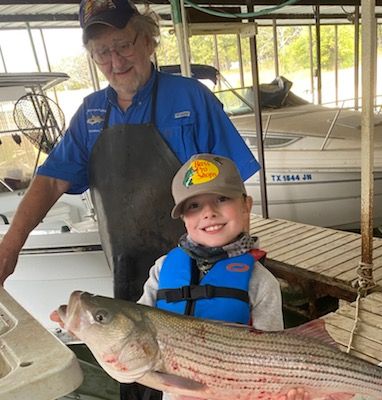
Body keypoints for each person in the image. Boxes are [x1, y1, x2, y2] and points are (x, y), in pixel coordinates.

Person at [0, 0, 259, 291]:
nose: (116, 61)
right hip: (127, 276)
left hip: (203, 273)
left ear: (148, 41)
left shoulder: (192, 98)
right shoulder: (90, 114)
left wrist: (240, 270)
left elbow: (233, 189)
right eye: (102, 52)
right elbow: (49, 183)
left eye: (123, 45)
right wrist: (10, 246)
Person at [137, 153, 309, 400]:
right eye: (194, 206)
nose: (209, 212)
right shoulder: (162, 269)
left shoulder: (262, 282)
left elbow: (273, 357)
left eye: (222, 198)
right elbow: (135, 327)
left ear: (246, 205)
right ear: (184, 218)